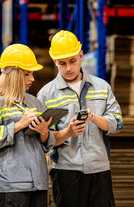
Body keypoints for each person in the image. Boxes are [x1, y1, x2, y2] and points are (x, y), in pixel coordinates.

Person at [37, 30, 124, 207]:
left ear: (80, 55)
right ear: (55, 61)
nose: (68, 68)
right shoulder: (46, 94)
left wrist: (94, 118)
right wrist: (68, 132)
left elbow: (117, 123)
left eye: (72, 61)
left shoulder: (101, 87)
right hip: (66, 173)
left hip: (99, 170)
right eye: (62, 63)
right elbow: (43, 140)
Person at [0, 44, 56, 207]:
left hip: (39, 181)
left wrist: (44, 132)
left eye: (32, 74)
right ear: (14, 74)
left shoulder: (35, 102)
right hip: (12, 182)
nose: (32, 79)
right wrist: (19, 124)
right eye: (27, 74)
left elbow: (48, 142)